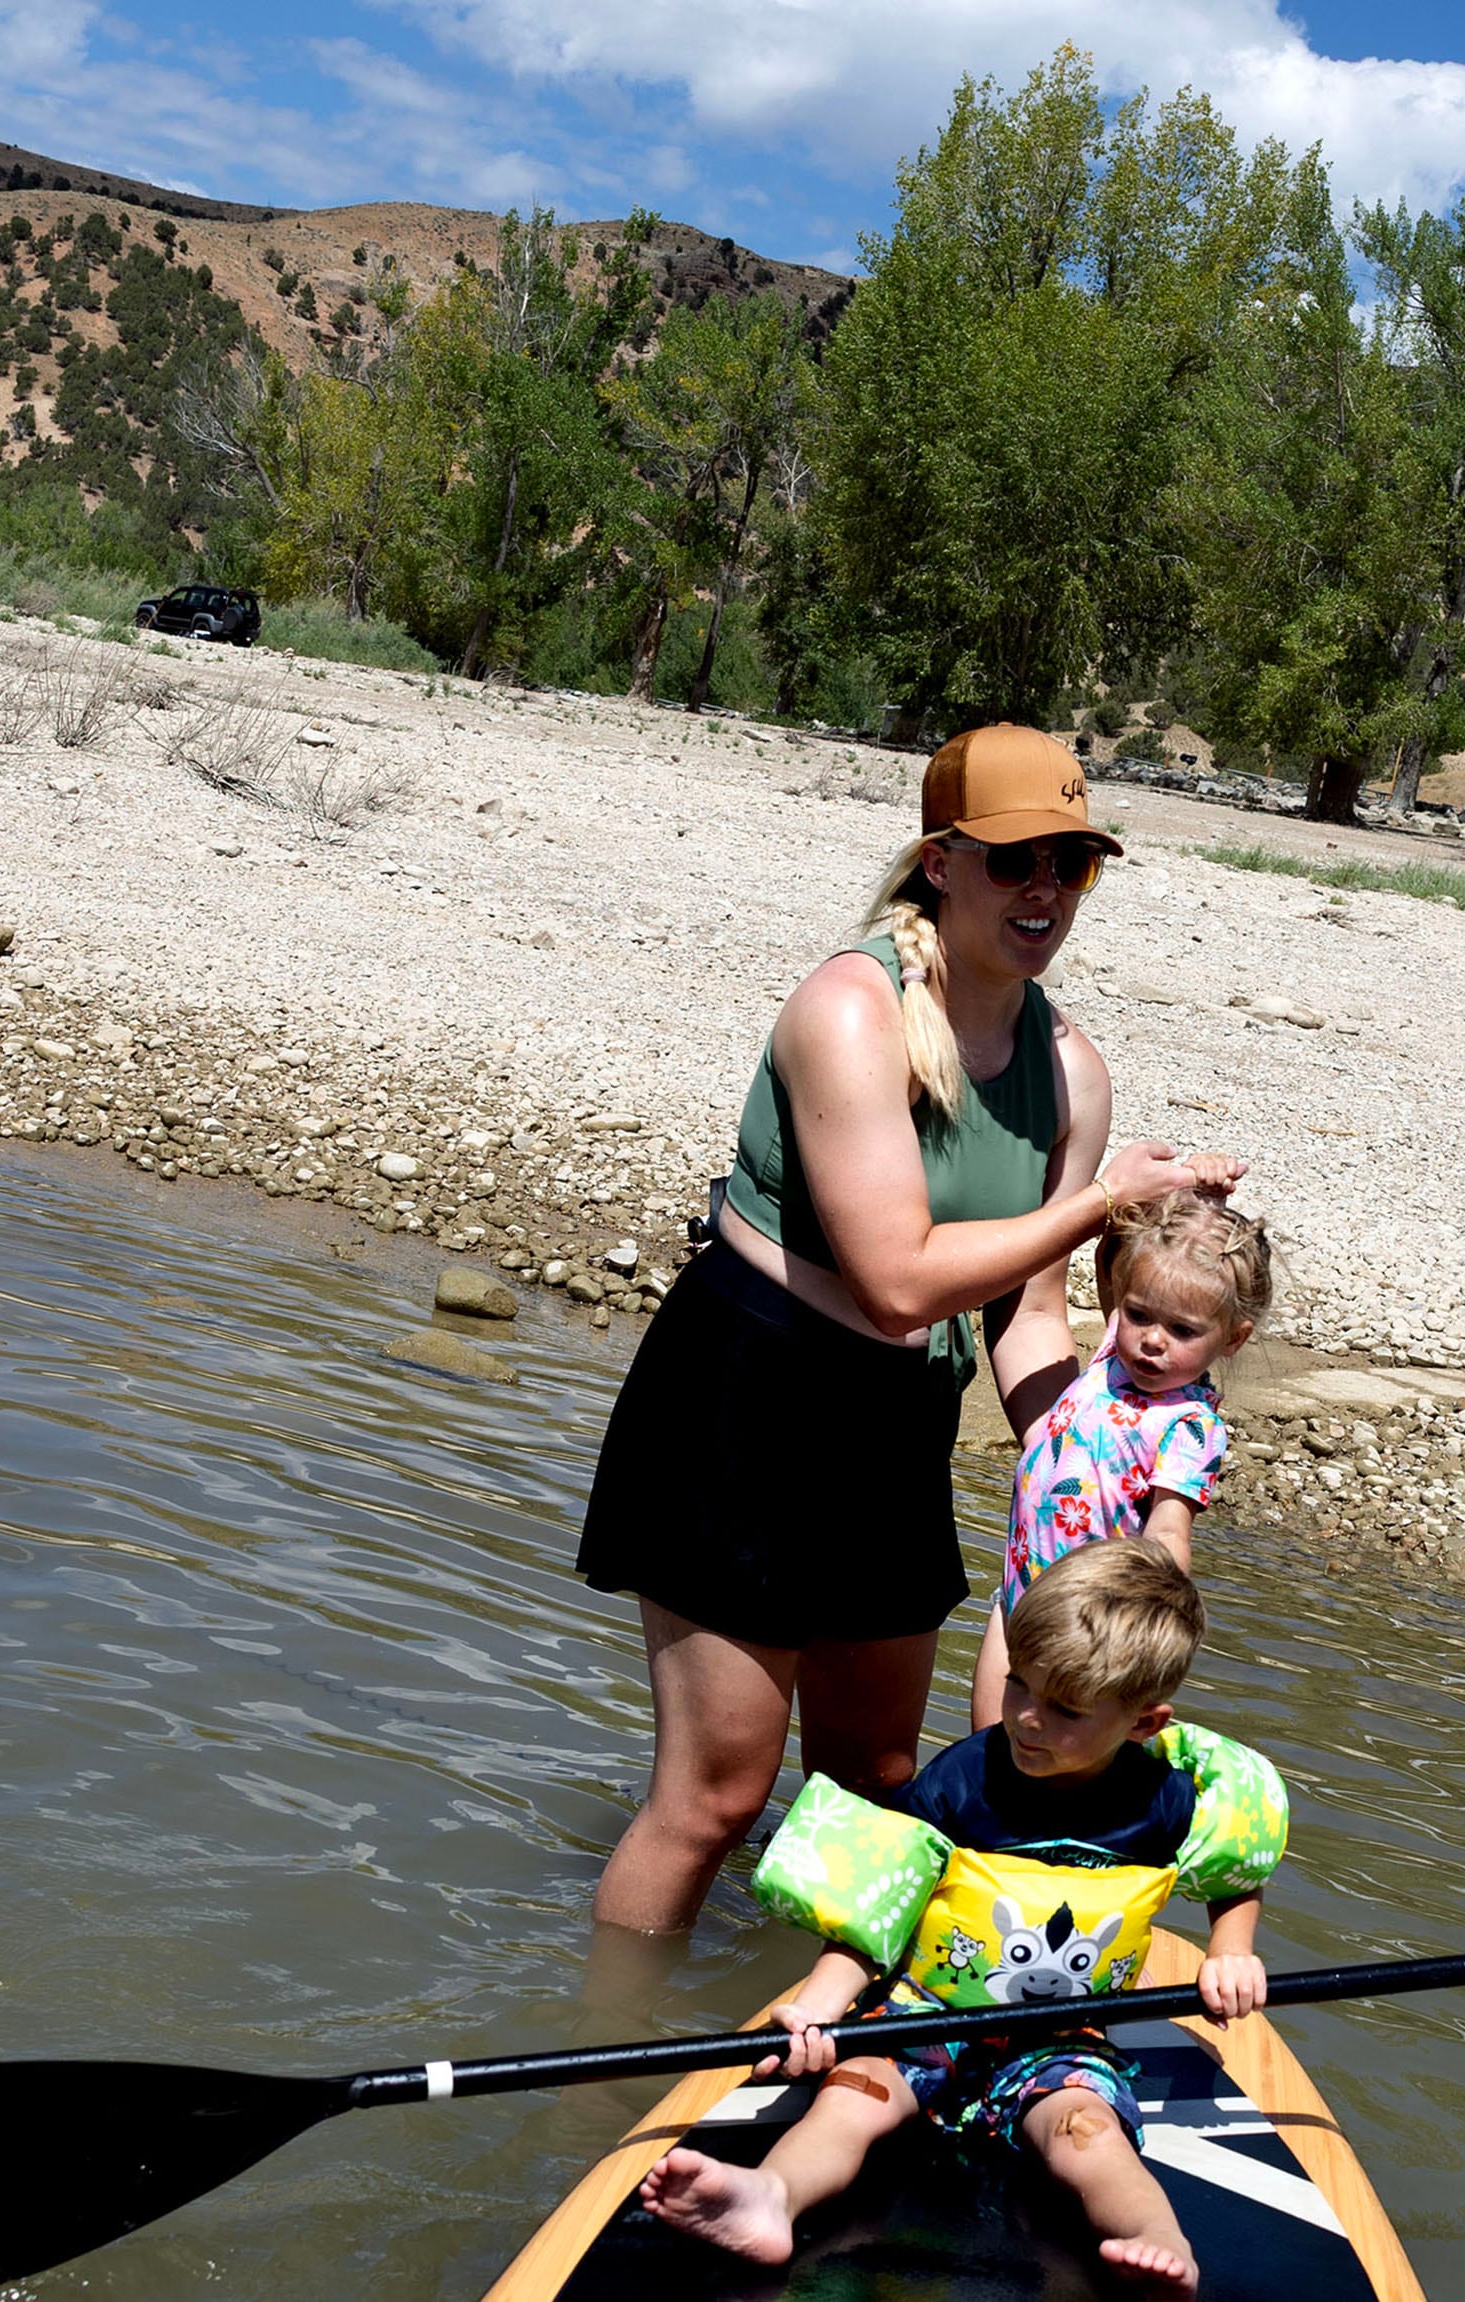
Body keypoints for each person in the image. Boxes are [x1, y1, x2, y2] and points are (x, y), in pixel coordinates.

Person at [581, 724, 1243, 1937]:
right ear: (941, 861)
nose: (1044, 888)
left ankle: (819, 2029)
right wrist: (1100, 1203)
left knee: (878, 1788)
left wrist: (1099, 1459)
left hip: (896, 1427)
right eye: (1015, 860)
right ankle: (609, 2077)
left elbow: (1030, 1309)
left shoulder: (1070, 1070)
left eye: (1072, 864)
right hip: (749, 1399)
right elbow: (895, 1281)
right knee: (719, 1795)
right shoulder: (852, 1008)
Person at [639, 1541, 1269, 2295]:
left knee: (1089, 2136)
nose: (1027, 1721)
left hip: (1058, 2039)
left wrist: (1231, 1950)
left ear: (1143, 1722)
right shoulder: (962, 1780)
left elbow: (1236, 1875)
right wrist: (819, 2006)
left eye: (1064, 1709)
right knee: (852, 2096)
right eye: (1017, 1686)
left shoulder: (1168, 1798)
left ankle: (1157, 2238)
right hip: (921, 2019)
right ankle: (769, 2197)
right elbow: (878, 1908)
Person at [974, 1186, 1271, 1728]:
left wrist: (1156, 1624)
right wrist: (1187, 1194)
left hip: (1083, 1628)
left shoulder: (1188, 1427)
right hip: (1016, 1598)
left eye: (1182, 1330)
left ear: (1233, 1337)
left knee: (1055, 1777)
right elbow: (1114, 1249)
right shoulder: (1116, 1351)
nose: (1152, 1340)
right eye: (1138, 1314)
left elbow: (1168, 1531)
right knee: (986, 1760)